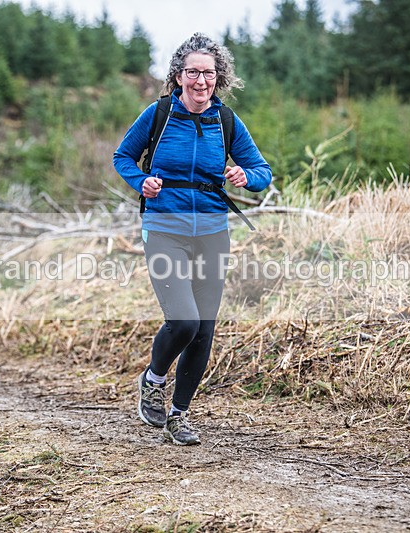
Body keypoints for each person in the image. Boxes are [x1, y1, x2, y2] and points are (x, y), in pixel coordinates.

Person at [113, 33, 272, 445]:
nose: (201, 80)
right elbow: (122, 157)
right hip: (165, 227)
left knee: (204, 328)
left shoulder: (227, 121)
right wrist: (141, 181)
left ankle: (179, 415)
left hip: (213, 232)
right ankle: (153, 380)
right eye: (193, 72)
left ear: (219, 77)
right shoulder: (159, 114)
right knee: (184, 321)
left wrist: (246, 176)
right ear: (178, 76)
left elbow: (262, 171)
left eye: (208, 73)